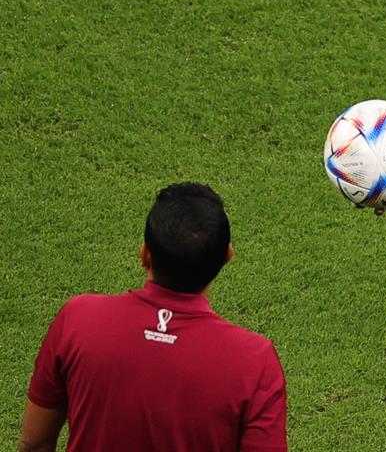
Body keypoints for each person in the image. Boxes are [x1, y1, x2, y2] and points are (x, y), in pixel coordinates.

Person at [20, 183, 287, 452]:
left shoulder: (78, 319)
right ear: (227, 257)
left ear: (144, 253)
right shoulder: (255, 361)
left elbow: (34, 444)